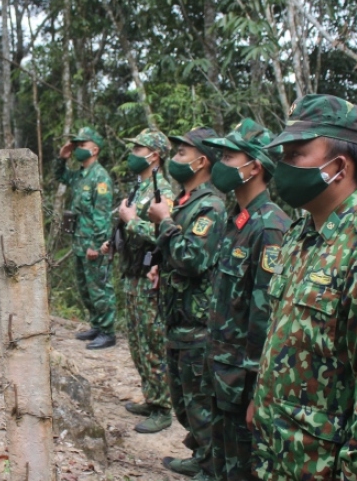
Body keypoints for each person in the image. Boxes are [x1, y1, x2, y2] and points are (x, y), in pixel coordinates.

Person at [249, 94, 357, 480]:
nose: (282, 166)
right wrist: (258, 401)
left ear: (338, 167)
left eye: (296, 154)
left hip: (324, 465)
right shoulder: (300, 234)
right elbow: (285, 334)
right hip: (278, 451)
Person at [199, 119, 291, 481]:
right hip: (221, 370)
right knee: (222, 464)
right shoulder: (236, 220)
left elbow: (266, 318)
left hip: (242, 383)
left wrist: (257, 392)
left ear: (254, 167)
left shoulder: (270, 228)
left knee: (243, 469)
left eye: (228, 155)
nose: (219, 162)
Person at [147, 127, 226, 478]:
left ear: (201, 161)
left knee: (201, 405)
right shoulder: (184, 201)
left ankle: (211, 467)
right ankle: (200, 456)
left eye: (181, 153)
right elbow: (177, 256)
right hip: (177, 319)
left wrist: (164, 223)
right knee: (183, 404)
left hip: (197, 326)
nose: (175, 158)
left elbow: (194, 259)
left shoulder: (210, 206)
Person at [101, 129, 176, 433]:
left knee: (153, 345)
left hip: (149, 278)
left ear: (154, 155)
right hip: (131, 277)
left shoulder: (163, 192)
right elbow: (126, 224)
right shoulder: (140, 187)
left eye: (138, 148)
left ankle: (163, 407)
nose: (132, 153)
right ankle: (151, 396)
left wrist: (132, 220)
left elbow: (164, 235)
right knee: (136, 343)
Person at [55, 126, 117, 350]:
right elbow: (60, 176)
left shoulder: (100, 177)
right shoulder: (80, 175)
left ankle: (108, 332)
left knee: (99, 287)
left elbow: (101, 215)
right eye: (77, 145)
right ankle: (98, 326)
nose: (78, 149)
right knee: (85, 288)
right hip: (79, 242)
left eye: (82, 145)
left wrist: (96, 245)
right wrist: (62, 158)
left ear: (95, 149)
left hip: (93, 243)